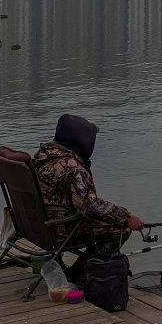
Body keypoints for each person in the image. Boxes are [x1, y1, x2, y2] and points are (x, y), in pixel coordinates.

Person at [32, 114, 143, 271]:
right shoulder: (72, 168)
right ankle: (80, 272)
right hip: (58, 229)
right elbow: (88, 206)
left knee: (102, 222)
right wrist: (126, 217)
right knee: (120, 229)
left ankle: (79, 269)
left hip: (36, 226)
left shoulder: (42, 156)